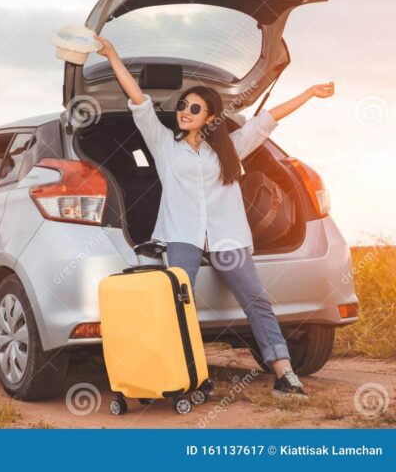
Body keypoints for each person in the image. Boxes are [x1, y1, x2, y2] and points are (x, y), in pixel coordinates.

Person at [94, 33, 335, 399]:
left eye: (194, 109)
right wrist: (112, 55)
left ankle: (285, 373)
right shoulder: (163, 144)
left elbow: (267, 118)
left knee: (256, 301)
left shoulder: (230, 150)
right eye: (182, 106)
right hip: (181, 237)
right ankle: (190, 376)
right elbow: (138, 100)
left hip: (229, 237)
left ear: (209, 117)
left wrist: (310, 93)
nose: (184, 112)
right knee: (179, 307)